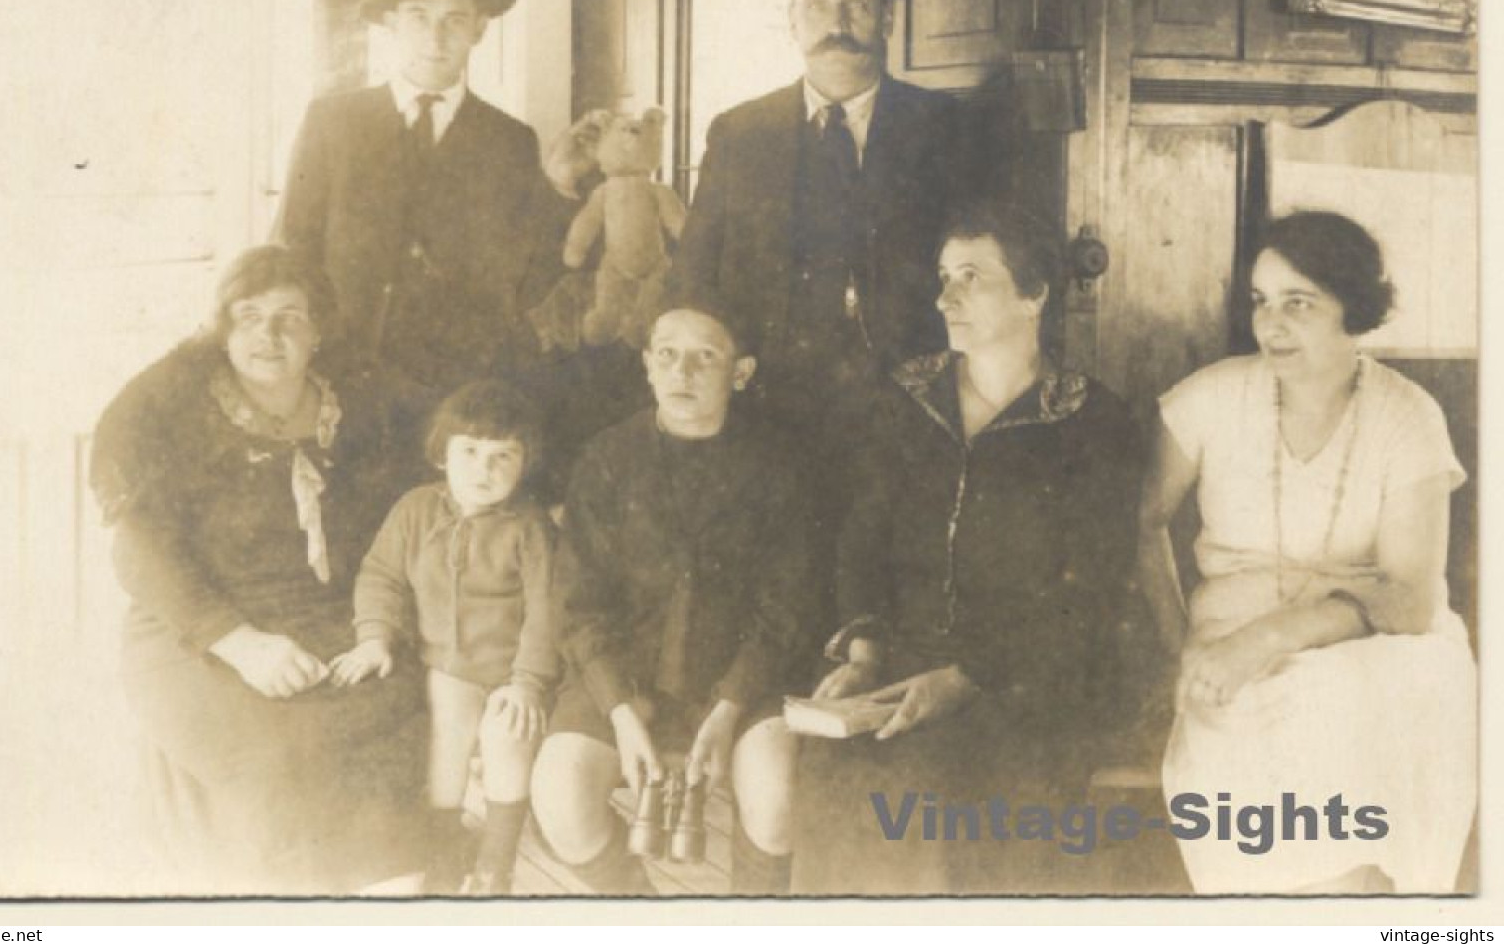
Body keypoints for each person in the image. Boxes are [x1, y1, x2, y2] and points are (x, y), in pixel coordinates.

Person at [791, 206, 1144, 895]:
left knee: (948, 788)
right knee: (834, 767)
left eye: (971, 278)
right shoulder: (903, 398)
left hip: (1031, 677)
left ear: (1033, 294)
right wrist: (864, 653)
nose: (943, 297)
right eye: (944, 277)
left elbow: (1090, 592)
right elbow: (860, 540)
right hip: (902, 660)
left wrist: (966, 676)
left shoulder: (1091, 421)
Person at [1140, 211, 1476, 894]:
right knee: (1271, 740)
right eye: (1261, 301)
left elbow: (1411, 598)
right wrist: (1182, 648)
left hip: (1378, 641)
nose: (1270, 324)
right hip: (1229, 640)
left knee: (1361, 703)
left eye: (1298, 303)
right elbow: (1143, 525)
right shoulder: (1208, 399)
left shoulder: (1407, 417)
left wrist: (1271, 636)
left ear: (1351, 308)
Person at [667, 0, 986, 632]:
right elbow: (695, 275)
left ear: (887, 23)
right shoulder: (740, 132)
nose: (835, 22)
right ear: (789, 19)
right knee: (778, 574)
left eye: (856, 5)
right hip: (773, 392)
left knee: (891, 578)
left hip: (905, 393)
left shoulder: (947, 129)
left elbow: (980, 267)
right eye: (815, 4)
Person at [89, 246, 429, 895]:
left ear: (318, 332)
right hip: (198, 633)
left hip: (330, 620)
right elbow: (137, 552)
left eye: (288, 318)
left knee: (391, 725)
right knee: (276, 761)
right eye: (248, 318)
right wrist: (240, 644)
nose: (267, 337)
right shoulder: (183, 416)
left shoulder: (357, 409)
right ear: (224, 329)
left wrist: (376, 627)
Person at [528, 296, 815, 895]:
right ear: (648, 366)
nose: (682, 372)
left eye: (704, 357)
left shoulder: (780, 468)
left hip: (741, 681)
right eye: (668, 355)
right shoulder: (606, 459)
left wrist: (731, 705)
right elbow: (577, 605)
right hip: (625, 680)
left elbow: (786, 607)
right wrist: (620, 710)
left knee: (775, 793)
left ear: (741, 373)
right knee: (559, 792)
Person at [274, 0, 590, 398]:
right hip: (343, 375)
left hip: (458, 387)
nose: (435, 38)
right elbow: (292, 249)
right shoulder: (333, 122)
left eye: (454, 20)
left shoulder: (510, 141)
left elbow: (532, 278)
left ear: (479, 29)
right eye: (419, 17)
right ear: (393, 25)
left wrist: (560, 188)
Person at [331, 380, 558, 896]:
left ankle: (496, 866)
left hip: (515, 669)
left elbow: (548, 609)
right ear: (441, 454)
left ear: (525, 464)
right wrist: (375, 636)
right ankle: (442, 851)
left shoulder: (530, 527)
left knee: (508, 733)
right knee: (447, 734)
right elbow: (380, 575)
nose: (485, 469)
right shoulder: (415, 510)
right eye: (470, 452)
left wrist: (527, 682)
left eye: (504, 456)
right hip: (447, 665)